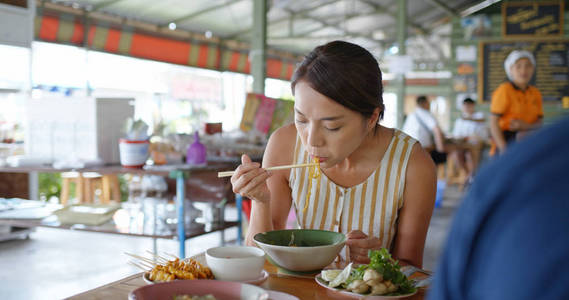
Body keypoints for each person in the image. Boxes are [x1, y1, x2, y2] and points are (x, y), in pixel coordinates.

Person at [231, 41, 435, 268]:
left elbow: (412, 267)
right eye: (301, 120)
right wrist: (261, 201)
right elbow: (261, 260)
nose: (311, 141)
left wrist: (380, 261)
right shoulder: (284, 145)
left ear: (371, 118)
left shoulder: (413, 165)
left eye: (332, 127)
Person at [428, 116, 569, 300]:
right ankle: (468, 174)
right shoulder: (508, 182)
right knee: (461, 155)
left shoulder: (510, 180)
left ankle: (469, 175)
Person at [490, 50, 543, 155]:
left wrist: (526, 126)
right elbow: (493, 123)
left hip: (529, 141)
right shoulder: (504, 90)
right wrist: (504, 149)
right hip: (507, 142)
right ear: (510, 70)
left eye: (528, 66)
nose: (523, 70)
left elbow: (540, 123)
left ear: (533, 69)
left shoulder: (535, 93)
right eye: (518, 66)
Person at [450, 98, 488, 183]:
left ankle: (473, 174)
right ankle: (469, 174)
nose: (466, 108)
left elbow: (482, 125)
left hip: (476, 144)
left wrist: (469, 119)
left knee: (469, 154)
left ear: (472, 106)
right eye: (464, 106)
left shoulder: (479, 116)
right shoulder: (459, 120)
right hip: (463, 144)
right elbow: (456, 135)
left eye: (468, 106)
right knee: (456, 154)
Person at [402, 95, 447, 165]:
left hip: (408, 148)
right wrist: (440, 150)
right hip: (423, 148)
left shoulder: (411, 115)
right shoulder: (426, 113)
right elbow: (437, 130)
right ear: (426, 103)